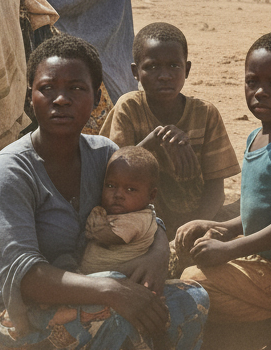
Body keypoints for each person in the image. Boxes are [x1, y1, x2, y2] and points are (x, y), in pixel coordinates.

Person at [0, 34, 208, 350]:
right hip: (8, 318)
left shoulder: (103, 153)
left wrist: (159, 254)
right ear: (29, 97)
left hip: (87, 295)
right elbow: (27, 278)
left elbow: (147, 215)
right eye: (47, 88)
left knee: (193, 298)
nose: (61, 99)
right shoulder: (12, 170)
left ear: (97, 97)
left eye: (77, 88)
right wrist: (112, 289)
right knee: (114, 308)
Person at [176, 32, 271, 331]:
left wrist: (231, 250)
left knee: (192, 282)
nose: (261, 92)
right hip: (259, 258)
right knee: (187, 258)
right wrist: (221, 227)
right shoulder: (256, 136)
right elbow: (263, 207)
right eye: (252, 81)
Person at [99, 22, 240, 237]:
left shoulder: (205, 114)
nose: (164, 75)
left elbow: (215, 190)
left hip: (195, 214)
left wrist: (195, 228)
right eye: (152, 67)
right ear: (135, 72)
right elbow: (116, 176)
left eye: (174, 66)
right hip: (140, 216)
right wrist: (151, 142)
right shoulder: (129, 107)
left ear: (188, 69)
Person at [76, 146, 160, 275]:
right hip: (95, 278)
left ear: (151, 196)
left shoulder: (138, 219)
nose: (118, 194)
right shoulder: (122, 212)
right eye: (111, 186)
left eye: (130, 189)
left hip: (120, 277)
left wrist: (93, 227)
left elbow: (109, 237)